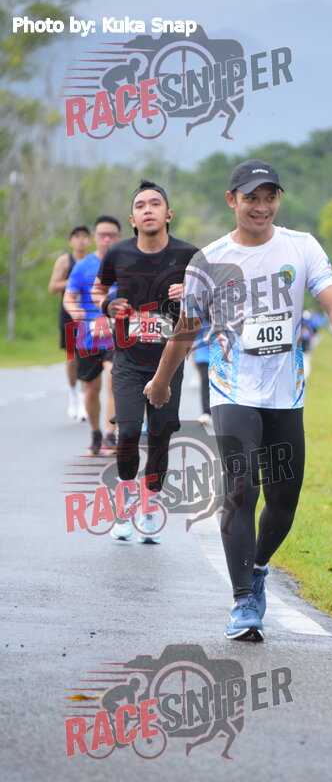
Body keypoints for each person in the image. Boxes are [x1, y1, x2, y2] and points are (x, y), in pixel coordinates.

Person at [144, 159, 332, 640]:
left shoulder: (302, 247)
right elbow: (186, 329)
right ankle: (243, 601)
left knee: (284, 501)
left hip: (286, 394)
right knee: (241, 490)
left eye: (270, 197)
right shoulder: (209, 261)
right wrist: (161, 382)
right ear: (232, 200)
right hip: (232, 390)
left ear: (279, 199)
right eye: (251, 198)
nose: (261, 206)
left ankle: (258, 568)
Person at [92, 180, 198, 544]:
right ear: (132, 219)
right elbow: (99, 289)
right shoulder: (118, 253)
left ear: (168, 214)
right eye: (140, 206)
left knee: (160, 434)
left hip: (168, 361)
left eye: (155, 204)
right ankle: (125, 503)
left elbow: (213, 299)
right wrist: (107, 305)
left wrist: (191, 292)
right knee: (127, 431)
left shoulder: (189, 255)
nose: (148, 209)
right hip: (127, 360)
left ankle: (150, 504)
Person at [63, 216, 121, 455]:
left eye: (111, 235)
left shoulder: (125, 263)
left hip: (117, 332)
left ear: (118, 237)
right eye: (102, 235)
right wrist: (73, 310)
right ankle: (96, 433)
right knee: (90, 387)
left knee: (113, 378)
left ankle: (110, 435)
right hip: (87, 333)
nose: (107, 239)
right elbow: (68, 297)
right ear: (95, 237)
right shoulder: (82, 265)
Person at [48, 225, 91, 420]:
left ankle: (84, 400)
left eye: (84, 237)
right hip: (69, 314)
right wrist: (74, 279)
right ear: (70, 241)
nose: (81, 240)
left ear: (90, 241)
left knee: (86, 357)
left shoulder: (94, 261)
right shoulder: (65, 261)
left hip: (89, 315)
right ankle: (73, 395)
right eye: (77, 237)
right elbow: (52, 287)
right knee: (72, 357)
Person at [194, 319, 212, 425]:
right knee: (205, 381)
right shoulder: (201, 317)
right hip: (204, 355)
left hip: (222, 355)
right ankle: (206, 412)